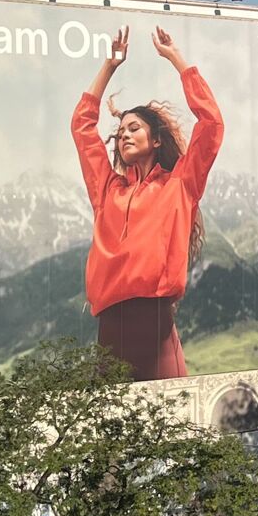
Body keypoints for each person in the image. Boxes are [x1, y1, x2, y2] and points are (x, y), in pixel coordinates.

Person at [72, 25, 223, 382]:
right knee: (113, 433)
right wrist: (109, 66)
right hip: (109, 331)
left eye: (134, 127)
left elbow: (212, 124)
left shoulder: (179, 185)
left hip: (155, 330)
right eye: (121, 129)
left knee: (169, 430)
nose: (124, 133)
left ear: (156, 140)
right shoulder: (107, 190)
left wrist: (177, 59)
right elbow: (82, 127)